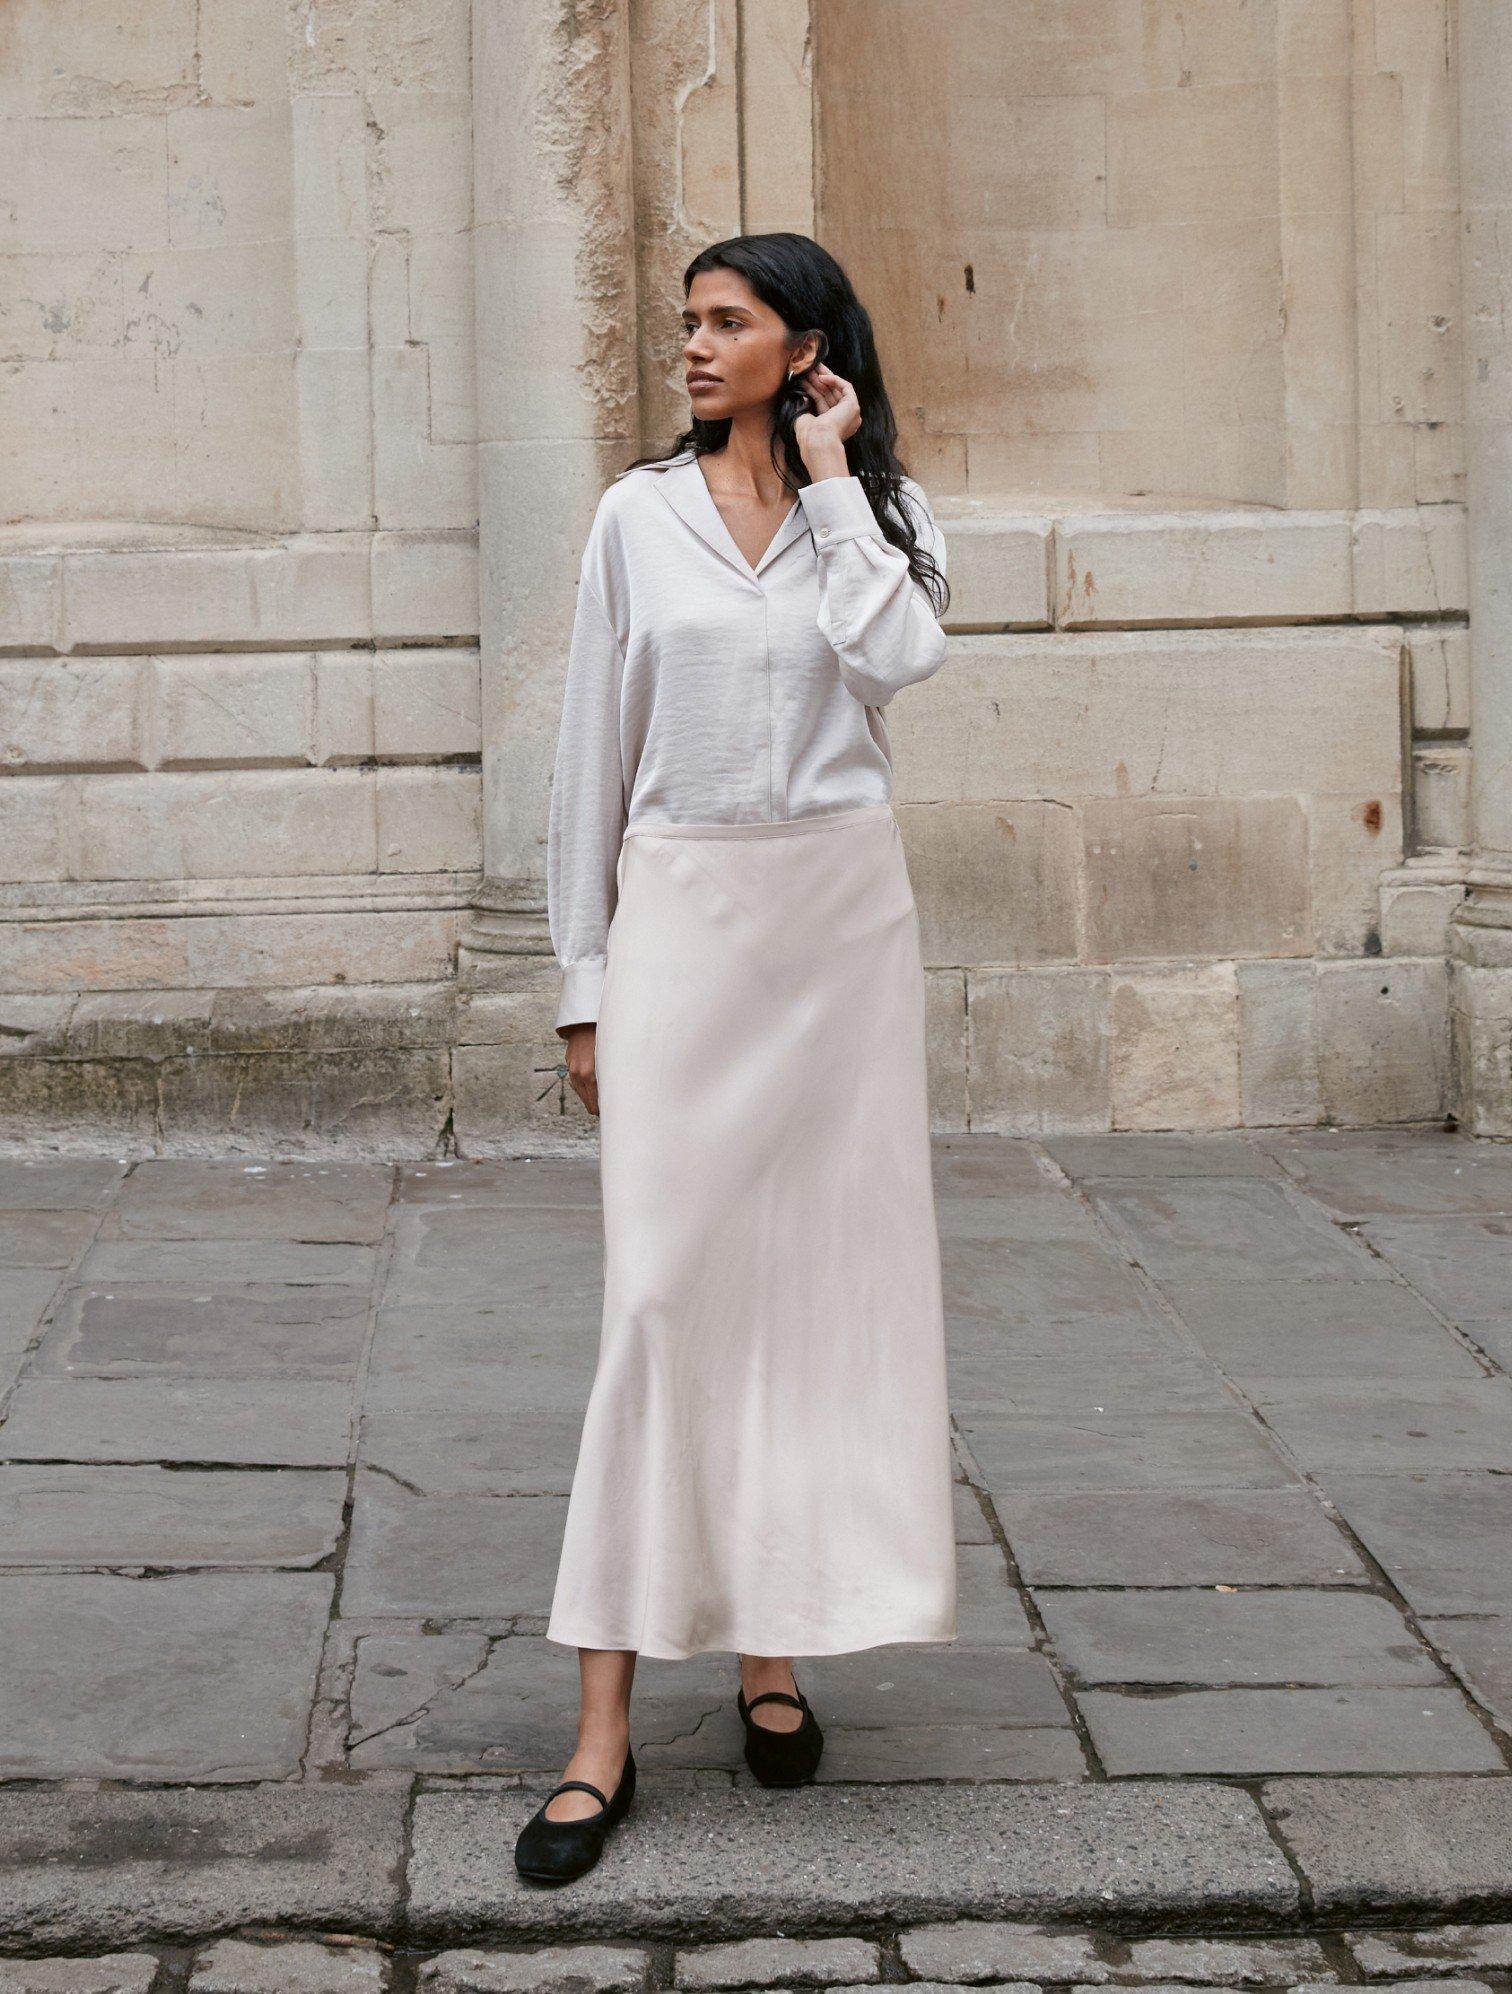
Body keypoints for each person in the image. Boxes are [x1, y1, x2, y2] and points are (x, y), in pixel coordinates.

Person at [514, 232, 957, 1887]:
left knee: (809, 1299)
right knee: (658, 1304)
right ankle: (601, 1734)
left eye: (727, 323)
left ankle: (772, 1656)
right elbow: (589, 763)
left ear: (808, 345)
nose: (692, 347)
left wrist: (837, 480)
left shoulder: (885, 522)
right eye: (686, 323)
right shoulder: (636, 519)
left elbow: (899, 660)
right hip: (686, 925)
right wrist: (583, 984)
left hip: (841, 934)